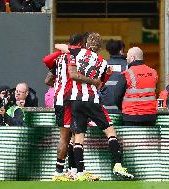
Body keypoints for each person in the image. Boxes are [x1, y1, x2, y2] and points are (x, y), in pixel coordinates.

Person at [55, 32, 134, 181]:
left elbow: (60, 47)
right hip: (92, 100)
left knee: (78, 137)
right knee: (110, 132)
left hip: (75, 100)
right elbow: (101, 82)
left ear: (86, 44)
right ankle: (117, 164)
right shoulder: (103, 62)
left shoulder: (77, 53)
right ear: (100, 47)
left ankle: (80, 172)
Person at [44, 34, 102, 181]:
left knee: (72, 135)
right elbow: (74, 75)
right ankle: (60, 173)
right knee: (68, 136)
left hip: (62, 99)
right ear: (81, 43)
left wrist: (59, 86)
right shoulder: (75, 57)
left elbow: (48, 80)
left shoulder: (59, 58)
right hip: (67, 100)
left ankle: (73, 171)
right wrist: (94, 82)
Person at [114, 47, 158, 126]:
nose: (126, 58)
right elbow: (154, 93)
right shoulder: (153, 72)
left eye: (127, 56)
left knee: (133, 137)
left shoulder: (126, 74)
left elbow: (116, 96)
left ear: (132, 58)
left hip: (131, 116)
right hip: (150, 116)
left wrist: (124, 108)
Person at [100, 39, 128, 113]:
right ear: (121, 50)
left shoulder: (103, 64)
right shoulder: (127, 66)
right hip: (121, 109)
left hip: (104, 109)